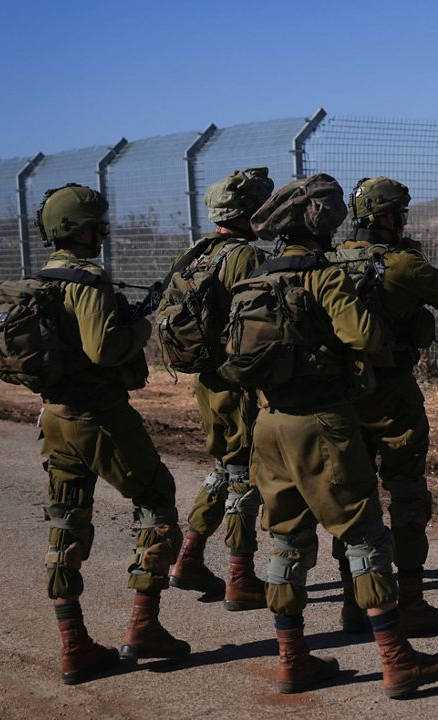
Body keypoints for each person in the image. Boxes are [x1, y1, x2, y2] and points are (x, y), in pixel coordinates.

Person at [228, 174, 438, 697]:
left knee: (286, 540)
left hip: (268, 425)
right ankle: (397, 660)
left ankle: (292, 658)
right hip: (321, 423)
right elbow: (368, 336)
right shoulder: (323, 276)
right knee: (364, 535)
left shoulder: (255, 278)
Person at [32, 184, 189, 683]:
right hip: (99, 415)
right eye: (98, 225)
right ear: (79, 229)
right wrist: (146, 324)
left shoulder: (43, 278)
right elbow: (104, 349)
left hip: (55, 417)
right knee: (157, 500)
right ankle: (144, 626)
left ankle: (73, 645)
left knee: (66, 520)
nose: (104, 232)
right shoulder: (89, 280)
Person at [334, 177, 438, 636]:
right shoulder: (401, 264)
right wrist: (416, 261)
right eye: (401, 215)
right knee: (407, 494)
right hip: (392, 394)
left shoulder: (328, 263)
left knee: (352, 498)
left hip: (339, 397)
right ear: (386, 219)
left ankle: (356, 602)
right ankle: (410, 603)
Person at [165, 168, 274, 612]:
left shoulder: (193, 253)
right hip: (237, 381)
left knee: (224, 466)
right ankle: (240, 577)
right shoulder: (243, 257)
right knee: (244, 477)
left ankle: (188, 559)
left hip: (206, 381)